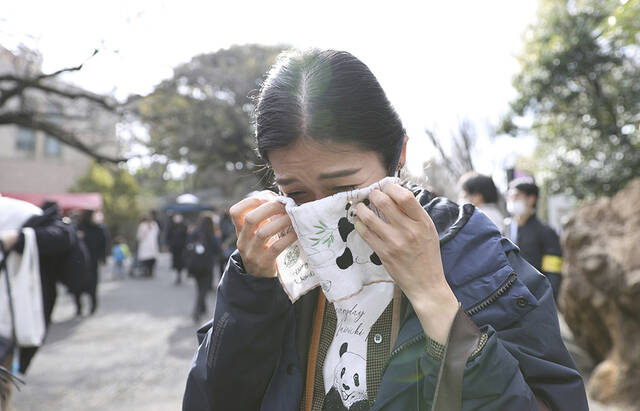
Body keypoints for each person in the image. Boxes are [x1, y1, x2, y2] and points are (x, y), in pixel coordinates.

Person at [182, 49, 587, 410]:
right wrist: (250, 289)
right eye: (297, 193)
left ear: (398, 157)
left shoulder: (477, 252)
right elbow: (212, 397)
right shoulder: (271, 257)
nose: (322, 211)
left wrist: (435, 298)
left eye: (344, 189)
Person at [505, 177, 564, 302]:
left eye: (516, 196)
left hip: (536, 299)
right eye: (509, 197)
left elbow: (553, 272)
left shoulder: (546, 232)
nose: (511, 200)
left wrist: (546, 300)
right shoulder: (506, 229)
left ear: (531, 199)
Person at [185, 214, 220, 323]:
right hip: (207, 265)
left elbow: (188, 244)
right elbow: (217, 250)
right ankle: (197, 310)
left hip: (195, 265)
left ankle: (202, 308)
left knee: (199, 287)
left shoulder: (195, 232)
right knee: (204, 288)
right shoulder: (212, 234)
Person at [77, 209, 108, 315]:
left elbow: (104, 244)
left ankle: (93, 306)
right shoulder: (80, 227)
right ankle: (79, 307)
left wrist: (103, 258)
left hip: (93, 261)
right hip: (79, 262)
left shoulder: (100, 228)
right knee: (78, 285)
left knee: (93, 285)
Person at [167, 213, 188, 284]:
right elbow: (168, 235)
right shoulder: (171, 226)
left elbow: (186, 236)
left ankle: (179, 275)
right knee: (175, 261)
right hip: (174, 247)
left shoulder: (184, 226)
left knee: (181, 261)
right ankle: (177, 275)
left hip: (182, 247)